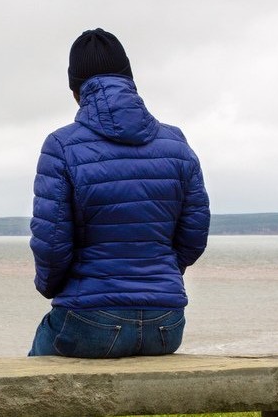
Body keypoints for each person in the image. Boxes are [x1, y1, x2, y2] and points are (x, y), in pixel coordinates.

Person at [28, 28, 210, 358]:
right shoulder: (177, 143)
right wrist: (158, 277)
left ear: (75, 90)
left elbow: (51, 242)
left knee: (30, 380)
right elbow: (194, 236)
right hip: (166, 324)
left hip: (91, 320)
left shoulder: (61, 146)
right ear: (129, 79)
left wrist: (50, 287)